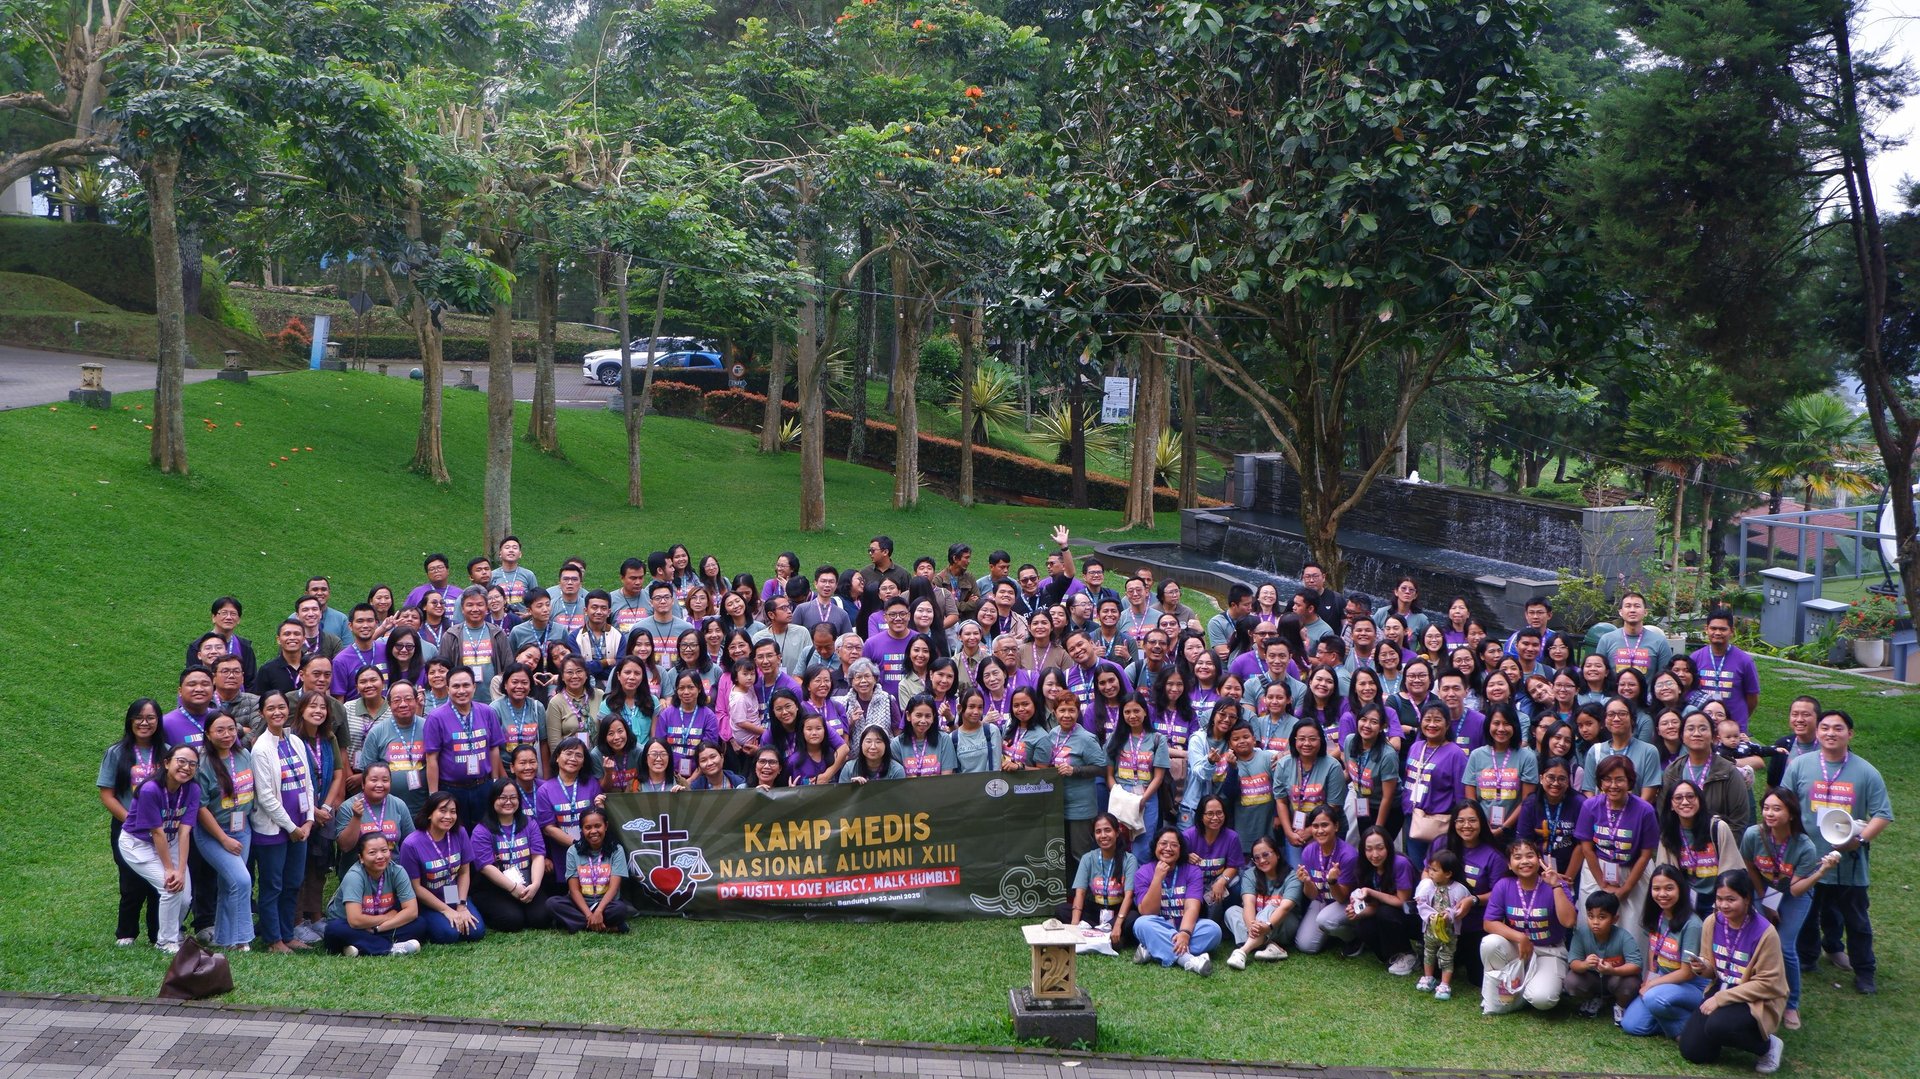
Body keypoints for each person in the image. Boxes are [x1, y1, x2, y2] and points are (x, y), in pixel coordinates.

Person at [1781, 708, 1892, 995]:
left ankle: (1864, 971)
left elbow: (1882, 814)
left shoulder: (1866, 771)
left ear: (1850, 734)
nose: (1830, 733)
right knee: (1806, 913)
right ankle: (1806, 958)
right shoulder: (1800, 766)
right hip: (1808, 857)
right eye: (1825, 728)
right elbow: (1783, 803)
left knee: (1856, 920)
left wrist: (1860, 839)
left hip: (1849, 861)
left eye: (1838, 728)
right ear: (1817, 732)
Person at [1739, 787, 1840, 1030]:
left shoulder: (1804, 846)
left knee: (1784, 947)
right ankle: (1753, 992)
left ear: (1791, 814)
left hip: (1796, 894)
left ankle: (1791, 1003)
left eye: (1777, 809)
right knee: (1756, 942)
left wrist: (1821, 872)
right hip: (1764, 889)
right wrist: (1765, 900)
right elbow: (1749, 866)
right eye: (1766, 808)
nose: (1769, 813)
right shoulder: (1753, 835)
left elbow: (1796, 890)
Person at [1677, 872, 1789, 1073]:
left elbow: (1768, 983)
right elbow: (1712, 970)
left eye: (1731, 899)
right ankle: (1722, 1034)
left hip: (1754, 997)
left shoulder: (1766, 932)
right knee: (1692, 1051)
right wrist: (1703, 968)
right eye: (1719, 899)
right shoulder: (1712, 922)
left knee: (1718, 1026)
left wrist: (1721, 999)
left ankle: (1768, 1046)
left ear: (1747, 899)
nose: (1723, 905)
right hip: (1722, 987)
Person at [117, 743, 202, 954]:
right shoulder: (150, 789)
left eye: (192, 764)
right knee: (170, 887)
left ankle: (172, 934)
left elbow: (184, 832)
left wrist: (180, 870)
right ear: (166, 763)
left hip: (171, 841)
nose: (186, 767)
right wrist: (170, 870)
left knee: (185, 898)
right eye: (181, 761)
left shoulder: (193, 789)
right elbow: (157, 833)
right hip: (138, 844)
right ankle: (165, 942)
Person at [1479, 837, 1578, 1014]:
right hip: (1518, 947)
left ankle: (1519, 991)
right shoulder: (1504, 885)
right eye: (1517, 857)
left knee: (1543, 999)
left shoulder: (1556, 884)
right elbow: (1489, 922)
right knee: (1490, 943)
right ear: (1509, 865)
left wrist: (1556, 886)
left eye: (1530, 856)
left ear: (1539, 860)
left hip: (1549, 950)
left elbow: (1569, 922)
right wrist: (1520, 937)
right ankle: (1505, 986)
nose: (1524, 861)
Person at [251, 690, 315, 953]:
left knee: (292, 883)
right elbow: (265, 796)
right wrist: (291, 827)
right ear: (262, 713)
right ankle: (273, 939)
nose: (277, 712)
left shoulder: (295, 741)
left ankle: (288, 934)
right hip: (274, 829)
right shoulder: (261, 749)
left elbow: (308, 783)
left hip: (301, 827)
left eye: (281, 707)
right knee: (273, 885)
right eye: (271, 708)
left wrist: (309, 820)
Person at [1574, 755, 1658, 952]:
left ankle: (1633, 968)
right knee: (1594, 924)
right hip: (1596, 869)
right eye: (1607, 779)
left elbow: (1646, 854)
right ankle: (1591, 967)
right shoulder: (1590, 806)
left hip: (1633, 870)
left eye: (1619, 779)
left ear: (1629, 781)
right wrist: (1603, 884)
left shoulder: (1644, 810)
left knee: (1633, 928)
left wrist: (1625, 889)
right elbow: (1587, 848)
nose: (1613, 785)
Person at [99, 699, 165, 946]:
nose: (144, 723)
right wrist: (133, 822)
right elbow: (107, 795)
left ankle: (158, 934)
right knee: (130, 881)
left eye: (150, 718)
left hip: (161, 829)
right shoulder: (116, 753)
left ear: (158, 721)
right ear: (130, 721)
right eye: (139, 717)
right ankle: (126, 933)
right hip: (127, 826)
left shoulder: (168, 752)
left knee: (159, 881)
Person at [1621, 864, 1711, 1039]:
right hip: (1663, 980)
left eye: (1669, 888)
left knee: (1654, 998)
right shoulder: (1656, 915)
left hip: (1691, 986)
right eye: (1656, 889)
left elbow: (1686, 973)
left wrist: (1652, 985)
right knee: (1631, 1025)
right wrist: (1650, 978)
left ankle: (1686, 1031)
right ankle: (1679, 1019)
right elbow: (1653, 948)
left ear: (1680, 889)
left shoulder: (1692, 924)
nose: (1662, 894)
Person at [192, 713, 255, 951]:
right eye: (220, 730)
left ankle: (224, 937)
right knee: (242, 880)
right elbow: (200, 808)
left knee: (229, 885)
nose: (227, 734)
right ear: (208, 734)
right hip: (213, 833)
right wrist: (224, 839)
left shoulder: (243, 755)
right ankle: (242, 939)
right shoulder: (202, 763)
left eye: (231, 729)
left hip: (242, 829)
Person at [1025, 696, 1108, 863]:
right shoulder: (1052, 734)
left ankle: (1087, 881)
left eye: (1072, 710)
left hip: (1080, 808)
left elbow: (1102, 769)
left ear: (1078, 712)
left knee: (1080, 854)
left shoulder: (1086, 738)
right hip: (1057, 806)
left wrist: (1074, 770)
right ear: (1054, 712)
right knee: (1061, 856)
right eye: (1062, 710)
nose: (1067, 715)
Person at [1131, 826, 1221, 975]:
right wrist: (1157, 878)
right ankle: (1187, 960)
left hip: (1185, 925)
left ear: (1181, 849)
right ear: (1155, 846)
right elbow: (1148, 912)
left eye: (1174, 845)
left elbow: (1192, 907)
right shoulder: (1143, 872)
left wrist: (1185, 933)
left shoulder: (1192, 871)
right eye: (1163, 843)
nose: (1168, 848)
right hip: (1158, 926)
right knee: (1141, 924)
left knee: (1213, 930)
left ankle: (1154, 949)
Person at [398, 790, 485, 944]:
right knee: (449, 934)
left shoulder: (460, 833)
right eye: (442, 811)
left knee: (476, 932)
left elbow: (464, 872)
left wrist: (461, 905)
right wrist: (446, 910)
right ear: (429, 814)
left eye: (453, 812)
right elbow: (416, 888)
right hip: (427, 902)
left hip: (454, 895)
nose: (448, 816)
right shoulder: (411, 844)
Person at [424, 668, 505, 827]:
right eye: (456, 686)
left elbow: (493, 749)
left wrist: (495, 781)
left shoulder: (487, 712)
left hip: (483, 786)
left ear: (474, 687)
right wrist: (434, 794)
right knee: (455, 833)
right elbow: (431, 758)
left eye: (466, 685)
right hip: (451, 789)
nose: (461, 691)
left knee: (485, 831)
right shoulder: (436, 717)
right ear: (448, 689)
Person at [468, 778, 553, 932]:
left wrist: (535, 885)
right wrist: (513, 888)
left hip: (527, 882)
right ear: (493, 800)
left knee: (542, 917)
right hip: (494, 887)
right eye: (502, 797)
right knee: (512, 920)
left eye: (513, 797)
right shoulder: (481, 830)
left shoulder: (530, 823)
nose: (508, 802)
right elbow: (486, 867)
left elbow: (538, 856)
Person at [322, 832, 424, 956]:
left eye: (384, 850)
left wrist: (378, 929)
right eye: (372, 852)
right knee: (334, 930)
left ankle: (360, 946)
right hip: (351, 926)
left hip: (377, 928)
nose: (380, 856)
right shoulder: (354, 876)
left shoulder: (397, 871)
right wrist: (386, 917)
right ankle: (390, 948)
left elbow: (412, 911)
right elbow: (355, 920)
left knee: (419, 924)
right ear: (361, 858)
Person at [1655, 779, 1745, 917]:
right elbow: (1664, 873)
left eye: (1690, 796)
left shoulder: (1717, 828)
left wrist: (1721, 901)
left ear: (1699, 800)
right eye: (1678, 798)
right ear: (1671, 805)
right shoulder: (1668, 834)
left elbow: (1732, 867)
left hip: (1718, 899)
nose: (1685, 802)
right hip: (1685, 899)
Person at [1662, 710, 1754, 835]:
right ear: (1682, 737)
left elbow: (1739, 821)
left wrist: (1721, 844)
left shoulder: (1728, 772)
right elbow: (1665, 812)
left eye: (1703, 729)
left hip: (1718, 842)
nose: (1696, 733)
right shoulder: (1673, 771)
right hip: (1681, 842)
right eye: (1690, 729)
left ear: (1714, 737)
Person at [547, 807, 639, 933]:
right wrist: (589, 915)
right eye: (588, 827)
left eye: (597, 826)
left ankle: (577, 924)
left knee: (620, 909)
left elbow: (614, 888)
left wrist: (599, 911)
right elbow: (574, 890)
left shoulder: (616, 850)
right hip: (580, 905)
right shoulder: (573, 851)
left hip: (606, 905)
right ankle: (610, 928)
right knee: (552, 903)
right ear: (582, 829)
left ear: (606, 826)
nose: (593, 831)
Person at [1343, 825, 1420, 974]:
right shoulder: (1365, 867)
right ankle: (1392, 955)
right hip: (1388, 913)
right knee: (1363, 926)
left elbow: (1402, 901)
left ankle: (1408, 954)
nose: (1375, 854)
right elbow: (1374, 906)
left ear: (1389, 847)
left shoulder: (1400, 863)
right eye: (1369, 849)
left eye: (1380, 848)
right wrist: (1357, 912)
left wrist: (1370, 892)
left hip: (1415, 916)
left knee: (1385, 912)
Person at [1403, 703, 1469, 865]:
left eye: (1437, 720)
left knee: (1437, 869)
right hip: (1413, 818)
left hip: (1439, 823)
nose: (1431, 724)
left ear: (1447, 724)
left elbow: (1461, 796)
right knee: (1415, 867)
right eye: (1427, 719)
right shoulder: (1416, 747)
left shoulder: (1456, 754)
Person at [1562, 890, 1644, 1021]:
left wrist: (1613, 970)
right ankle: (1592, 999)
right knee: (1571, 981)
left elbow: (1636, 965)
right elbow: (1573, 962)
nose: (1595, 922)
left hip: (1616, 978)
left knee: (1631, 983)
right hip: (1592, 978)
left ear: (1614, 919)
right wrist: (1584, 964)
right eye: (1591, 916)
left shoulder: (1624, 936)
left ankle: (1620, 1005)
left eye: (1602, 917)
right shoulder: (1581, 934)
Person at [1064, 813, 1138, 954]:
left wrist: (1118, 924)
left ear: (1117, 832)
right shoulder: (1088, 858)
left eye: (1107, 830)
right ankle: (1107, 938)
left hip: (1118, 912)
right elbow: (1080, 893)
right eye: (1098, 831)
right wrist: (1074, 926)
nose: (1103, 835)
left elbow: (1129, 896)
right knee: (1062, 910)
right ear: (1094, 835)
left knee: (1134, 917)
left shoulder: (1129, 860)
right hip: (1095, 911)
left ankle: (1102, 933)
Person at [1225, 835, 1302, 968]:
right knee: (1231, 911)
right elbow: (1248, 903)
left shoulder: (1292, 876)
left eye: (1266, 855)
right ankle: (1271, 946)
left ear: (1277, 854)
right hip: (1258, 925)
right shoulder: (1250, 874)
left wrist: (1268, 926)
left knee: (1272, 906)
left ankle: (1243, 951)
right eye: (1257, 858)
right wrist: (1252, 927)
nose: (1262, 860)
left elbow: (1284, 908)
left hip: (1284, 924)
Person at [1464, 707, 1537, 846]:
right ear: (1488, 725)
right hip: (1481, 829)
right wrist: (1484, 825)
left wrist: (1503, 828)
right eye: (1496, 723)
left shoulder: (1527, 757)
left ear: (1515, 726)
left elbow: (1526, 801)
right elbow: (1471, 798)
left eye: (1507, 723)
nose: (1501, 728)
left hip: (1515, 831)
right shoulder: (1476, 755)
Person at [1291, 806, 1358, 955]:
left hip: (1347, 903)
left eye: (1325, 825)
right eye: (1315, 826)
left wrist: (1332, 882)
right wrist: (1307, 881)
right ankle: (1332, 932)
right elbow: (1312, 895)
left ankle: (1354, 937)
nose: (1320, 830)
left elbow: (1341, 897)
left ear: (1336, 826)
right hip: (1321, 900)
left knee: (1325, 920)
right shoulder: (1309, 851)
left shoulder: (1348, 855)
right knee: (1305, 945)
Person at [1512, 756, 1585, 876]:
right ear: (1541, 778)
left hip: (1572, 869)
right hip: (1536, 868)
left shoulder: (1580, 803)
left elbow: (1582, 844)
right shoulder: (1530, 803)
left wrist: (1567, 878)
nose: (1556, 783)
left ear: (1568, 782)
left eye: (1562, 779)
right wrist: (1542, 872)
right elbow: (1524, 842)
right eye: (1551, 777)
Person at [1415, 850, 1471, 1000]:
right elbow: (1421, 904)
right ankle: (1428, 977)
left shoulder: (1459, 889)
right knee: (1428, 952)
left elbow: (1461, 908)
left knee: (1447, 956)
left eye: (1435, 870)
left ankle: (1445, 984)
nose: (1430, 873)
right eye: (1430, 869)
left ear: (1448, 873)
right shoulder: (1427, 886)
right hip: (1430, 930)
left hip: (1449, 932)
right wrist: (1430, 915)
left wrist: (1450, 914)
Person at [535, 737, 600, 850]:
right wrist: (577, 845)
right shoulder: (544, 791)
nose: (573, 758)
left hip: (592, 849)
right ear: (557, 757)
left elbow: (599, 817)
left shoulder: (592, 784)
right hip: (561, 853)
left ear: (583, 762)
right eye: (568, 753)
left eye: (578, 755)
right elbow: (549, 828)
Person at [1594, 592, 1672, 678]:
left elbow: (1666, 677)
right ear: (1620, 612)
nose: (1632, 610)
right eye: (1628, 606)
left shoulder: (1659, 642)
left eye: (1637, 606)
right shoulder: (1607, 640)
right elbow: (1599, 675)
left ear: (1645, 612)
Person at [839, 726, 906, 784]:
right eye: (868, 741)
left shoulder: (897, 770)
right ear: (861, 744)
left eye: (878, 742)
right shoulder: (849, 768)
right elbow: (842, 794)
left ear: (886, 745)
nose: (873, 746)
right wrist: (851, 788)